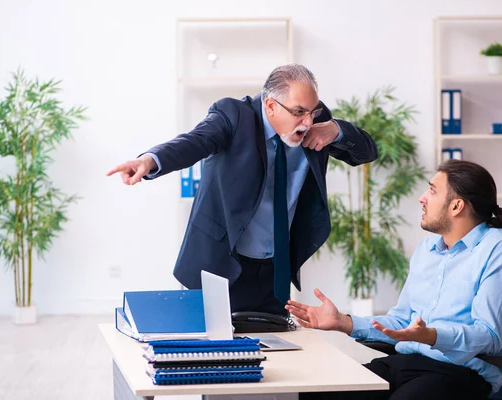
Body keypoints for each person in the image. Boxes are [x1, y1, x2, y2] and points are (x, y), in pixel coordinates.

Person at [107, 64, 378, 316]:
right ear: (271, 105)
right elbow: (195, 141)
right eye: (298, 112)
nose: (307, 121)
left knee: (274, 353)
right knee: (211, 355)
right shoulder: (233, 115)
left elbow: (367, 152)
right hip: (221, 263)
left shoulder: (317, 122)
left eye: (313, 111)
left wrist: (335, 129)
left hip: (276, 269)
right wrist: (150, 160)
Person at [288, 159, 502, 400]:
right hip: (404, 363)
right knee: (316, 395)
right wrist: (343, 322)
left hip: (461, 373)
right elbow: (400, 321)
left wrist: (432, 336)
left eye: (432, 190)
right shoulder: (428, 249)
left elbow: (488, 336)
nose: (422, 198)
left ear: (456, 206)